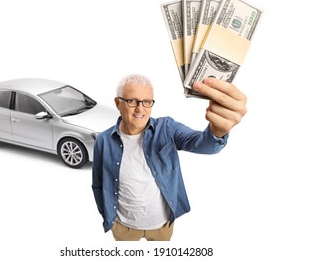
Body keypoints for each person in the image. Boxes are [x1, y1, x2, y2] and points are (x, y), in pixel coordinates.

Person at [92, 74, 247, 241]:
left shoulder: (167, 128)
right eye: (132, 101)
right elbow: (98, 185)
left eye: (147, 102)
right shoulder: (103, 141)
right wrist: (108, 216)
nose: (140, 108)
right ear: (117, 103)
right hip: (123, 227)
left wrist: (217, 131)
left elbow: (201, 143)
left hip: (162, 226)